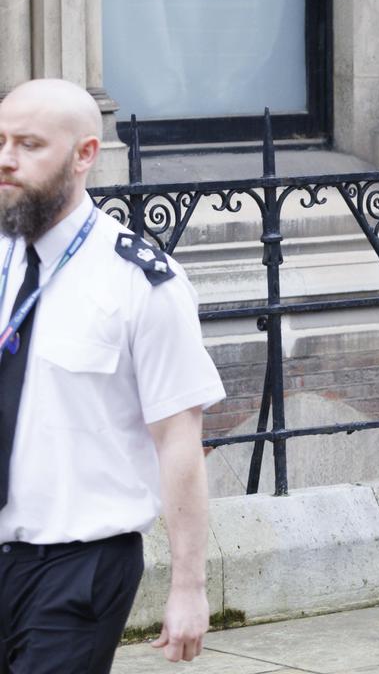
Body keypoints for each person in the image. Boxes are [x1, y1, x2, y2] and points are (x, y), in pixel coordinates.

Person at [0, 79, 225, 671]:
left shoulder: (141, 282)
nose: (6, 159)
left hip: (78, 567)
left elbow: (179, 438)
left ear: (85, 155)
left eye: (29, 144)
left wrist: (188, 587)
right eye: (0, 141)